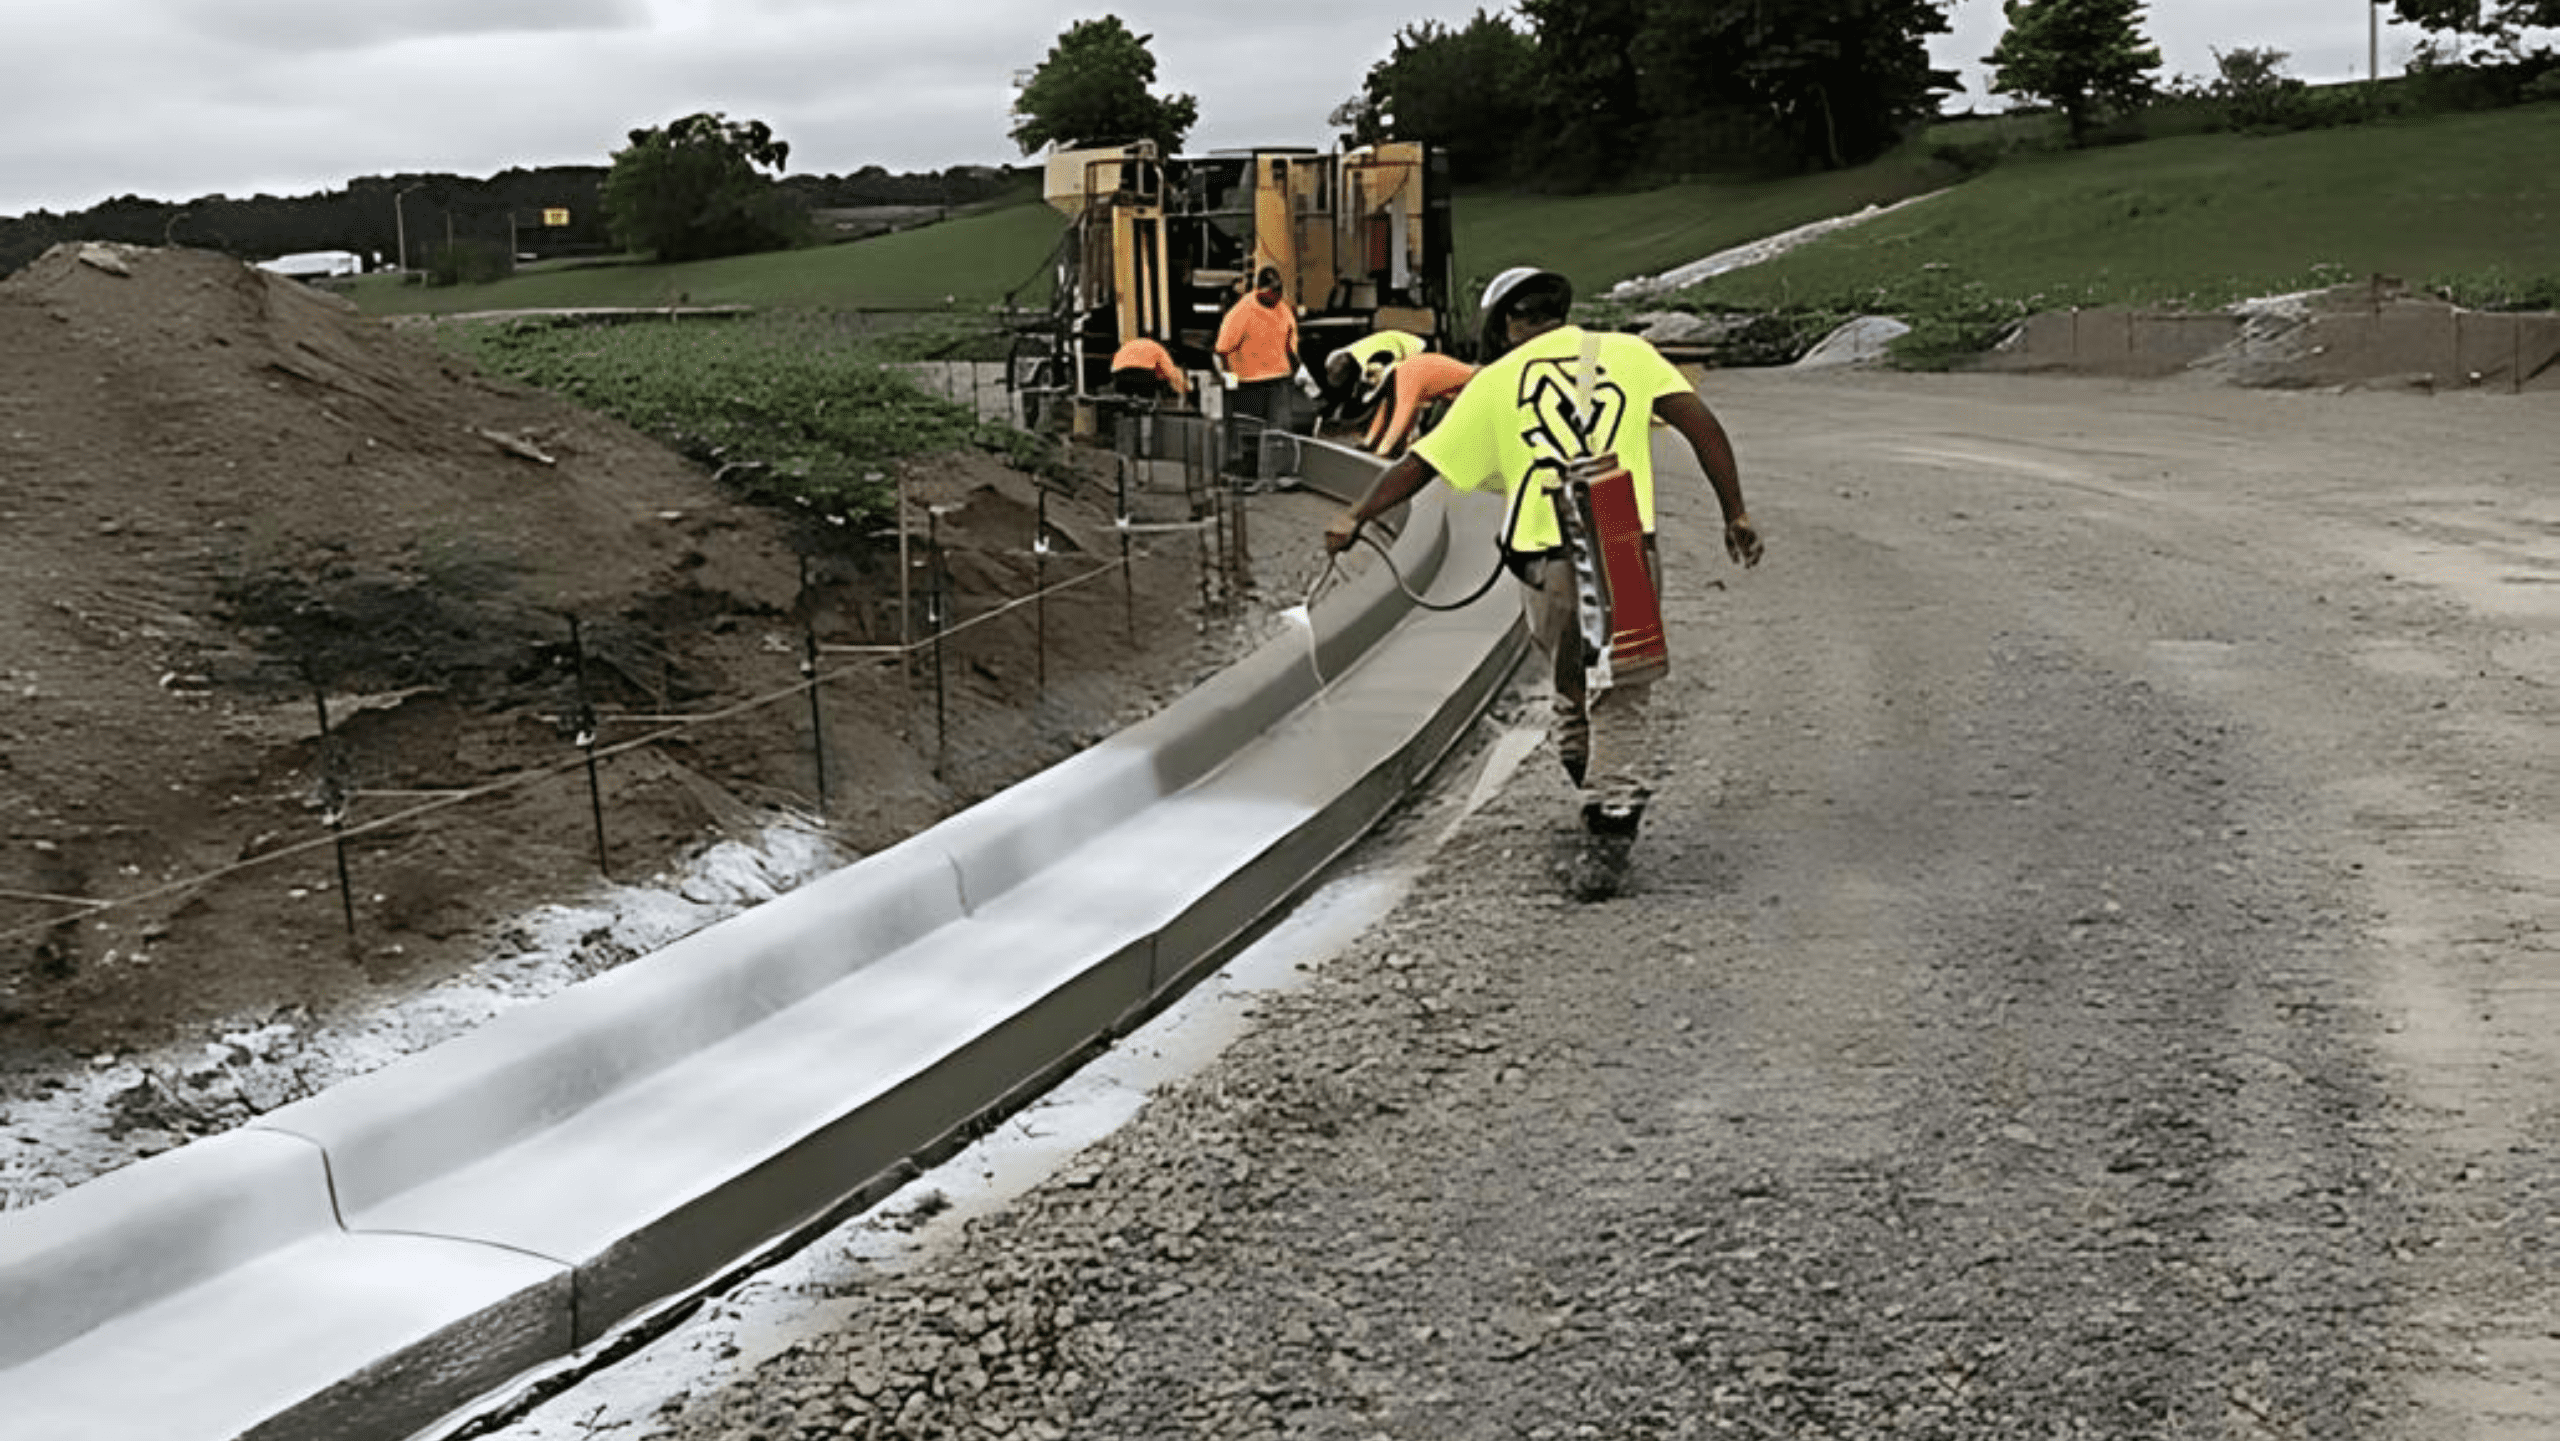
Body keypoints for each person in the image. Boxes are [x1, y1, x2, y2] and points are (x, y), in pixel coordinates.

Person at [1322, 266, 1762, 899]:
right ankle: (1599, 790)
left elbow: (1421, 465)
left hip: (1545, 552)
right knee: (1615, 682)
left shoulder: (1495, 383)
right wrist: (1734, 512)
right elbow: (1702, 425)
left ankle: (1607, 815)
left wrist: (1355, 514)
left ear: (1507, 324)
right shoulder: (1630, 355)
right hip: (1620, 536)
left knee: (1581, 680)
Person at [1213, 265, 1302, 479]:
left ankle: (1279, 472)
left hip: (1278, 378)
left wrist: (1298, 371)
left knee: (1280, 428)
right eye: (1272, 292)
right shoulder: (1241, 312)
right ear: (1260, 290)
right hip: (1248, 381)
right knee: (1249, 430)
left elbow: (1291, 345)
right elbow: (1222, 349)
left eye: (1279, 291)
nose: (1276, 296)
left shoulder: (1284, 310)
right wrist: (1228, 376)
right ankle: (1247, 471)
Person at [1360, 350, 1476, 457]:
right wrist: (1368, 443)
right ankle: (1395, 447)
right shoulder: (1399, 375)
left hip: (1471, 379)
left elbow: (1401, 417)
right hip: (1459, 378)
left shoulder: (1405, 377)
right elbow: (1386, 411)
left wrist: (1383, 450)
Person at [1320, 328, 1425, 425]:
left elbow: (1374, 392)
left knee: (1397, 393)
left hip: (1413, 350)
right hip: (1394, 345)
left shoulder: (1370, 367)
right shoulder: (1336, 357)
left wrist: (1366, 399)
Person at [1108, 335, 1190, 403]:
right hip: (1141, 371)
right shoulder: (1161, 351)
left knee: (1124, 397)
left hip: (1117, 371)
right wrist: (1183, 388)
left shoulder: (1139, 344)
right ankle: (1147, 407)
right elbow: (1171, 372)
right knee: (1146, 395)